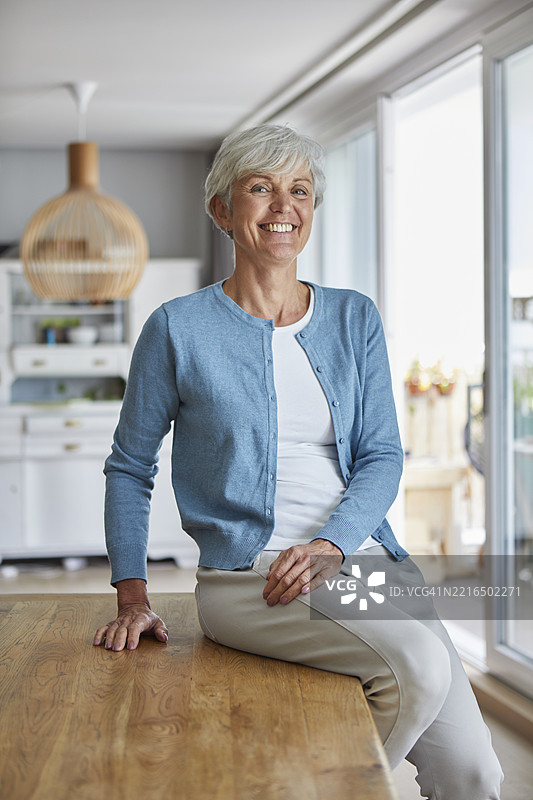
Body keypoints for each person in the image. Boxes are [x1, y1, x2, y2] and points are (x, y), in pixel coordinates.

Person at [94, 124, 503, 799]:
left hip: (360, 565)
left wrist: (335, 545)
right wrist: (132, 596)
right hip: (250, 582)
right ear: (222, 210)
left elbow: (379, 456)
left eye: (299, 190)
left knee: (473, 773)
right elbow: (129, 467)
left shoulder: (352, 319)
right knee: (419, 667)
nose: (283, 205)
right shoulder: (178, 328)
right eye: (260, 188)